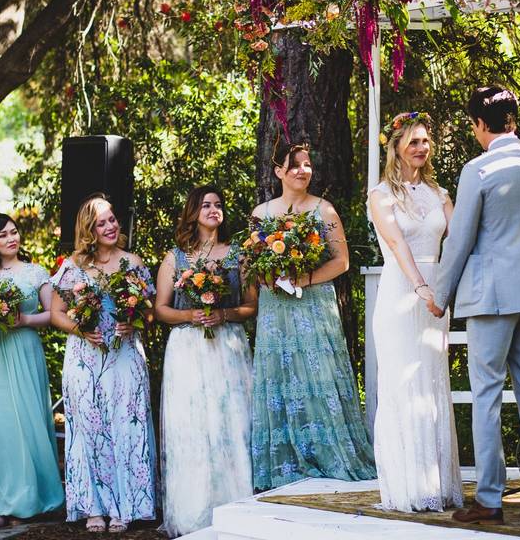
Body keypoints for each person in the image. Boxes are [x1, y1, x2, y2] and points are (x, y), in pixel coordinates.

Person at [429, 87, 520, 525]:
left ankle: (490, 499)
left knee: (486, 394)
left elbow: (460, 238)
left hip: (490, 296)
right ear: (513, 121)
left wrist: (439, 294)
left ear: (481, 124)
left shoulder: (478, 170)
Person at [250, 142, 376, 490]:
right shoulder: (262, 213)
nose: (303, 171)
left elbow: (341, 261)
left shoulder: (325, 210)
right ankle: (286, 459)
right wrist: (272, 276)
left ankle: (331, 454)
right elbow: (254, 263)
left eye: (307, 165)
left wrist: (301, 278)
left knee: (319, 372)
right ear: (279, 171)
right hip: (276, 305)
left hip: (314, 301)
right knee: (281, 374)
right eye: (295, 165)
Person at [368, 113, 463, 512]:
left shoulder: (440, 193)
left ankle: (436, 484)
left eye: (425, 141)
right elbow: (397, 244)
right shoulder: (380, 195)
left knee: (431, 382)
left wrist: (446, 287)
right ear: (395, 148)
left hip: (436, 295)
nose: (421, 148)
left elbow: (458, 239)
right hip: (401, 293)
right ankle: (406, 486)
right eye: (413, 142)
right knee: (403, 382)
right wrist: (421, 286)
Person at [50, 194, 156, 533]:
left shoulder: (132, 262)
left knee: (127, 425)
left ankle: (125, 506)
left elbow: (150, 312)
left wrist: (134, 322)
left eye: (112, 219)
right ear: (89, 229)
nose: (110, 226)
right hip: (85, 357)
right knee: (89, 429)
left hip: (124, 354)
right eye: (102, 222)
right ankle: (93, 507)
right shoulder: (74, 266)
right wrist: (80, 329)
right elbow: (55, 313)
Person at [155, 186, 257, 537]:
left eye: (218, 204)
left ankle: (237, 506)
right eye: (206, 205)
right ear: (193, 212)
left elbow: (250, 306)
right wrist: (192, 316)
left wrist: (224, 314)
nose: (214, 209)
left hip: (228, 347)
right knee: (193, 426)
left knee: (232, 422)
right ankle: (193, 512)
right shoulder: (175, 258)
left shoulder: (238, 254)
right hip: (187, 350)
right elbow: (161, 309)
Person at [0, 213, 64, 529]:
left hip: (23, 349)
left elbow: (53, 314)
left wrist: (26, 321)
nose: (11, 238)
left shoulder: (36, 273)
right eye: (3, 235)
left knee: (27, 422)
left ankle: (29, 499)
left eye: (14, 232)